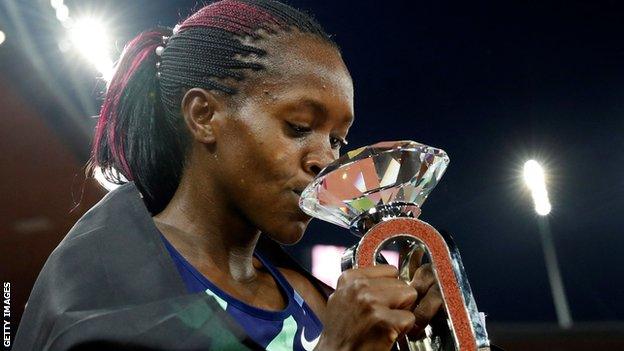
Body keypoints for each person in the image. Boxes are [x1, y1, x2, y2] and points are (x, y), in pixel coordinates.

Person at [14, 0, 447, 350]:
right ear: (204, 116)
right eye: (298, 127)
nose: (324, 160)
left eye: (336, 140)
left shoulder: (311, 298)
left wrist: (431, 336)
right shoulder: (104, 292)